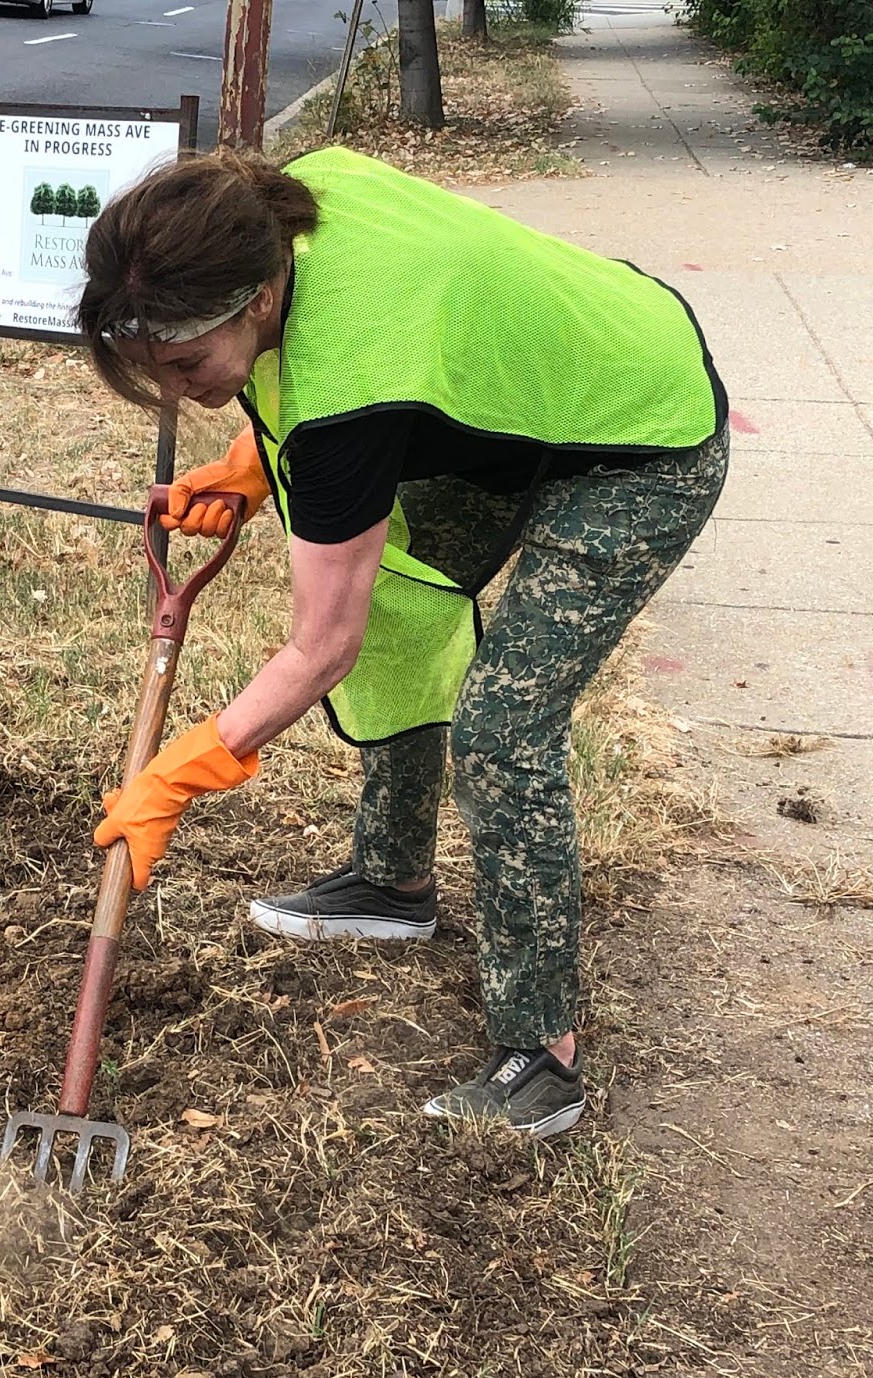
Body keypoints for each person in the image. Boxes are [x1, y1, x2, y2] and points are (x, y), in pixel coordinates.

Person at [77, 145, 728, 1137]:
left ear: (255, 301)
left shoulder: (346, 395)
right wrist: (254, 459)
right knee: (397, 597)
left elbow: (318, 646)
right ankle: (392, 881)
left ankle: (540, 1056)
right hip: (518, 388)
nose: (175, 390)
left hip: (637, 436)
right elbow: (372, 349)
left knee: (504, 729)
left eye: (184, 365)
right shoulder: (267, 209)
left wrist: (183, 770)